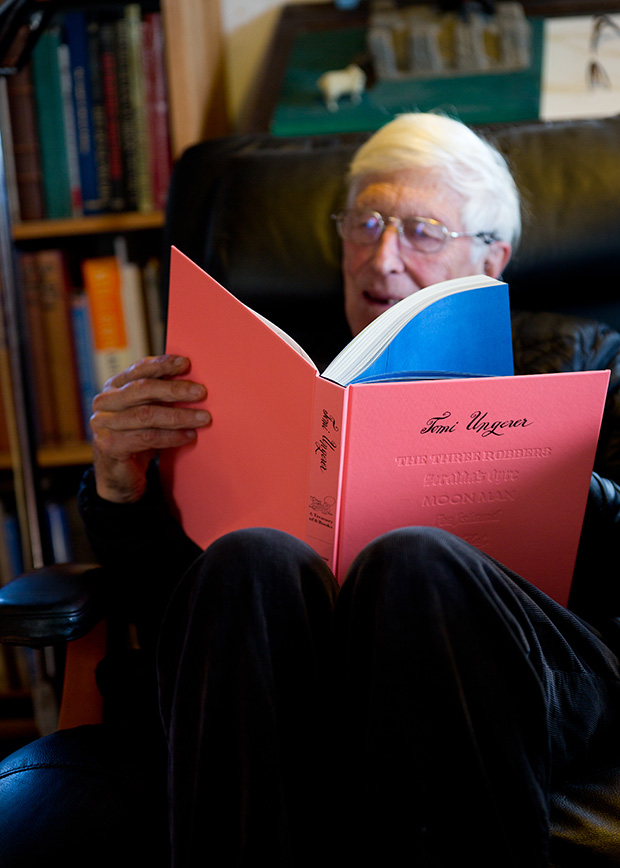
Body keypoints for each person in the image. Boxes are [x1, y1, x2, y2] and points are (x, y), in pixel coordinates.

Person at [79, 113, 620, 867]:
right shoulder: (266, 375)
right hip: (301, 665)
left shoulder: (589, 358)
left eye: (423, 230)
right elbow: (172, 599)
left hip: (530, 665)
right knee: (250, 560)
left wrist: (548, 473)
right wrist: (118, 488)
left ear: (492, 257)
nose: (382, 258)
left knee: (416, 560)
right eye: (364, 222)